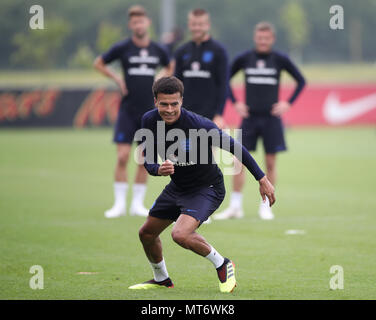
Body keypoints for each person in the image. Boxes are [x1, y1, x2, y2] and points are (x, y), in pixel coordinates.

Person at [128, 76, 275, 292]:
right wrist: (158, 169)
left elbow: (236, 148)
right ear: (155, 102)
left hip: (207, 189)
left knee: (180, 234)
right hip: (177, 187)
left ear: (182, 101)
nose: (169, 109)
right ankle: (162, 279)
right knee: (147, 234)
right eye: (163, 104)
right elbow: (147, 158)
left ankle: (222, 264)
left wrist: (262, 179)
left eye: (174, 104)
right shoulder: (149, 121)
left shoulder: (199, 125)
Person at [214, 22, 305, 221]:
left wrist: (287, 103)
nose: (263, 41)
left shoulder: (280, 59)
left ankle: (266, 206)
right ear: (255, 38)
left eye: (266, 38)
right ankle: (235, 206)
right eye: (259, 38)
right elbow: (224, 79)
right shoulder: (245, 58)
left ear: (272, 39)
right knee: (238, 161)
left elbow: (301, 80)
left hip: (272, 119)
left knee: (270, 163)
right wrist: (236, 102)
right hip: (249, 118)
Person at [93, 5, 173, 218]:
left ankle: (137, 204)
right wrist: (117, 78)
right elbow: (98, 63)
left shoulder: (157, 49)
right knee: (122, 156)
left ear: (148, 23)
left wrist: (161, 78)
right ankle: (119, 204)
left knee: (143, 157)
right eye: (135, 22)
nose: (139, 25)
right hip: (127, 110)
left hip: (149, 112)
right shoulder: (122, 48)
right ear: (131, 25)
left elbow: (170, 65)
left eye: (142, 21)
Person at [174, 8, 229, 129]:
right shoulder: (181, 51)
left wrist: (219, 114)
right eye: (194, 24)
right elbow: (176, 84)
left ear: (207, 25)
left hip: (209, 116)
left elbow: (224, 84)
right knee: (184, 148)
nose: (197, 28)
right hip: (185, 114)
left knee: (206, 148)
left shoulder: (219, 51)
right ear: (189, 25)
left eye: (200, 24)